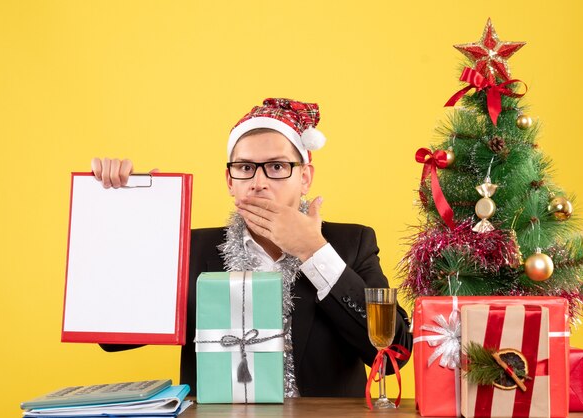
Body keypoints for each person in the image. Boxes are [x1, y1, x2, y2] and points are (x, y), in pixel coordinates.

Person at [95, 98, 412, 397]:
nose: (258, 182)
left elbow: (392, 353)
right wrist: (130, 220)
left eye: (276, 167)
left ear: (305, 177)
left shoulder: (351, 243)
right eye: (245, 167)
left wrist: (314, 251)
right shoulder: (191, 248)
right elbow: (114, 338)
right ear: (230, 181)